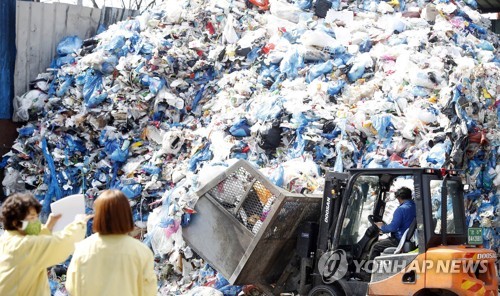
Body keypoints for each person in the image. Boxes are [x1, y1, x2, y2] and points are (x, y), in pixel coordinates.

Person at [66, 189, 157, 296]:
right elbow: (149, 290)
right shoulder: (141, 251)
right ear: (126, 216)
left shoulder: (83, 249)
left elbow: (72, 287)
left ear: (98, 216)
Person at [0, 192, 90, 296]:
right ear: (16, 222)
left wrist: (48, 227)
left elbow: (34, 237)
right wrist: (79, 223)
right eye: (32, 218)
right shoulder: (25, 246)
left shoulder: (7, 239)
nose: (37, 222)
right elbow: (63, 243)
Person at [369, 187, 416, 260]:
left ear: (399, 197)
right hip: (408, 238)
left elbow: (393, 227)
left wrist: (381, 227)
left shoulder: (401, 209)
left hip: (399, 239)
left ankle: (369, 269)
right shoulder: (414, 207)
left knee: (375, 246)